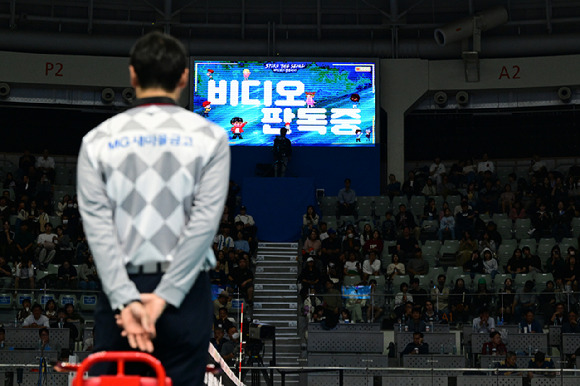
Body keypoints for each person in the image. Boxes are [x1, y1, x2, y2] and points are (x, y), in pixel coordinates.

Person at [76, 31, 230, 386]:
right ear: (183, 78)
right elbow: (204, 226)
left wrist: (126, 300)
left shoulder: (97, 140)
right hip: (185, 294)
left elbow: (98, 232)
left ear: (132, 75)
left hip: (120, 291)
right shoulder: (211, 138)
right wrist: (163, 299)